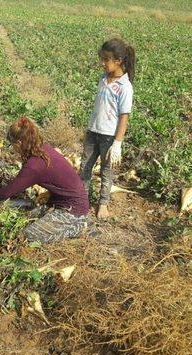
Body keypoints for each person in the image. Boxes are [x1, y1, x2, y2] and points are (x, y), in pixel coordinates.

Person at [0, 117, 90, 243]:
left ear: (19, 143)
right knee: (27, 215)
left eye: (12, 144)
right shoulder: (44, 148)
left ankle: (77, 227)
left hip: (73, 211)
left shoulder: (34, 166)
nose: (13, 149)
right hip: (63, 202)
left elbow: (9, 191)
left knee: (28, 235)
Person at [80, 38, 135, 219]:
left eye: (106, 60)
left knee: (106, 171)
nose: (102, 63)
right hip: (93, 132)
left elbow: (123, 118)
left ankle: (103, 203)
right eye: (101, 59)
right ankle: (82, 200)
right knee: (85, 168)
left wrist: (117, 143)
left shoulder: (124, 87)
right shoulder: (103, 79)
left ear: (118, 60)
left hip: (108, 137)